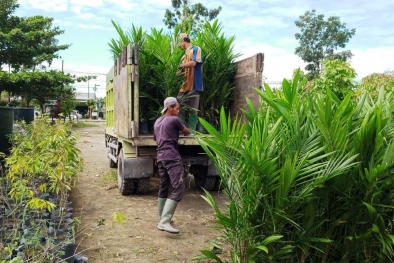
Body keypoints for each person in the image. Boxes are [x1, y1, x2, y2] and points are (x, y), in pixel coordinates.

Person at [154, 97, 190, 234]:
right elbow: (186, 131)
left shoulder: (157, 121)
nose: (178, 111)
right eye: (177, 108)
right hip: (172, 157)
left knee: (164, 185)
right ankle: (164, 222)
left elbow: (156, 138)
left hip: (161, 157)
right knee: (179, 188)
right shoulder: (174, 119)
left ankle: (162, 218)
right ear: (170, 108)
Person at [176, 33, 203, 133]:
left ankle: (192, 131)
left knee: (193, 109)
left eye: (180, 43)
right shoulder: (183, 56)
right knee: (179, 107)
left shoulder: (196, 49)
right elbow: (179, 72)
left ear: (183, 41)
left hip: (194, 84)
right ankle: (181, 130)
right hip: (183, 86)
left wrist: (180, 65)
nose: (179, 45)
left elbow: (193, 63)